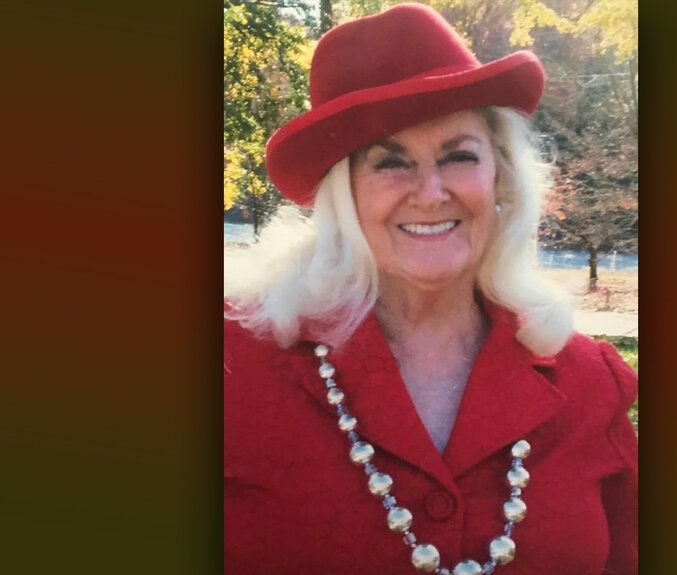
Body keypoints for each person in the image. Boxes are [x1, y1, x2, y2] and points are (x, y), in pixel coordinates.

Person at [224, 4, 637, 575]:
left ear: (501, 178)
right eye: (390, 163)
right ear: (345, 195)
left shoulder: (590, 382)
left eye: (458, 156)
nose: (430, 192)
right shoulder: (232, 362)